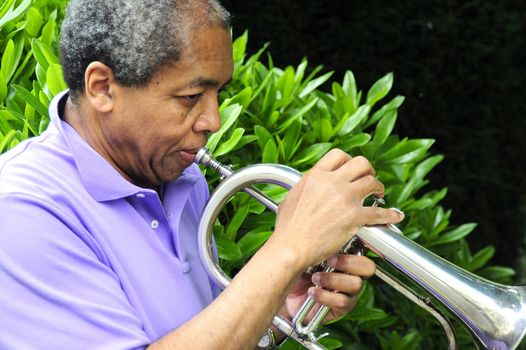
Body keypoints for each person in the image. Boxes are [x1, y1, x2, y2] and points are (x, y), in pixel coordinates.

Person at [0, 0, 404, 349]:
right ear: (102, 87)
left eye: (218, 94)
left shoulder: (179, 175)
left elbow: (204, 333)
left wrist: (279, 307)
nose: (213, 120)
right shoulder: (22, 212)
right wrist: (287, 251)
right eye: (190, 97)